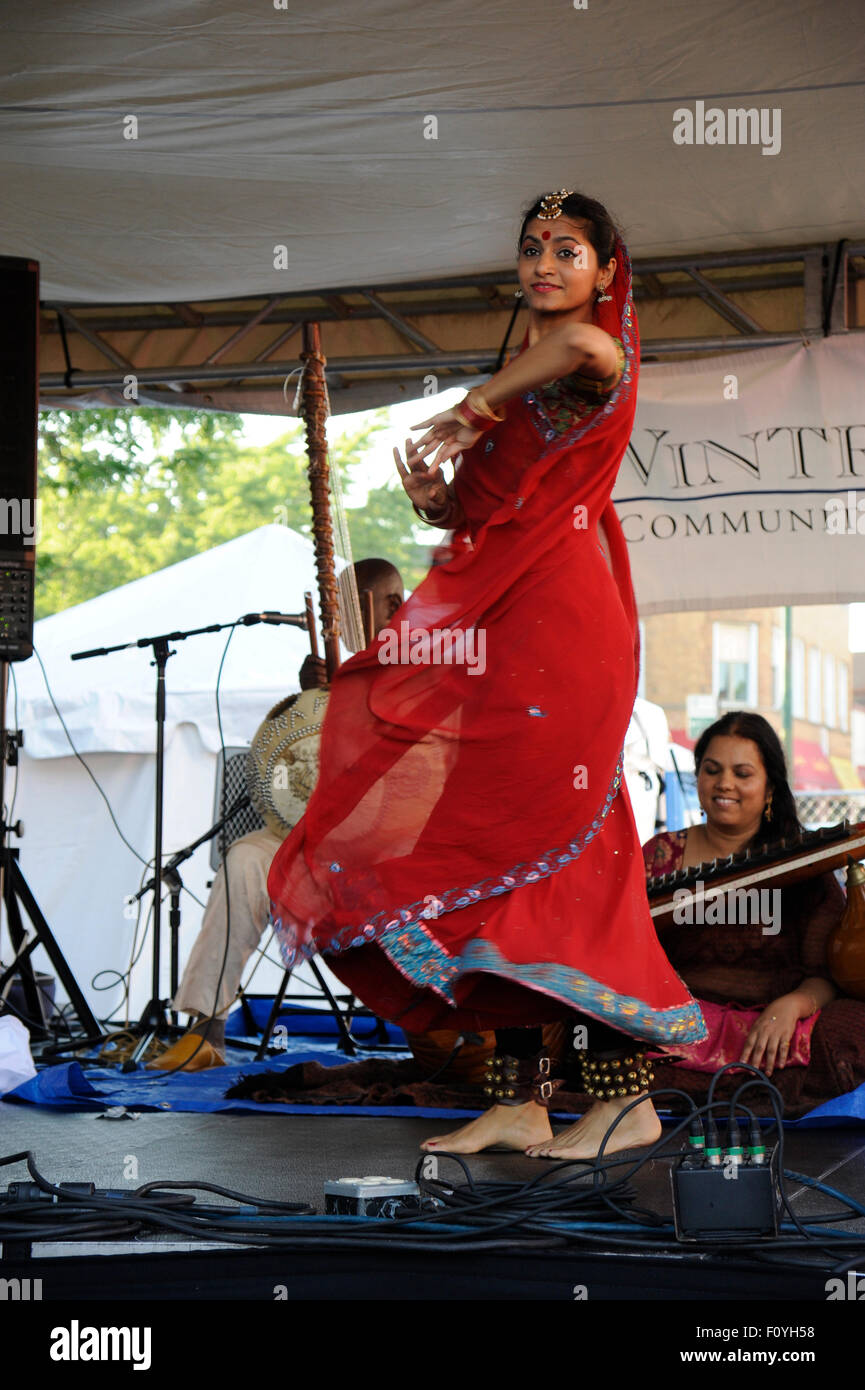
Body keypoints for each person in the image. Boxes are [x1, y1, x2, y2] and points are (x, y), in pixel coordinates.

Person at [268, 189, 706, 1158]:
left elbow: (587, 352)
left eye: (568, 249)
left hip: (565, 629)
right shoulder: (521, 379)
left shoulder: (588, 356)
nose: (544, 262)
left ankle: (626, 1098)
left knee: (569, 850)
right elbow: (490, 507)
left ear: (604, 271)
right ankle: (521, 1096)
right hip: (498, 625)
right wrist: (437, 500)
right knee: (491, 852)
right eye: (531, 247)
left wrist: (474, 405)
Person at [149, 558, 403, 1071]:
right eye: (386, 602)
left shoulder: (420, 667)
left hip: (379, 847)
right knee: (243, 857)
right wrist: (306, 698)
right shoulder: (327, 676)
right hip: (304, 837)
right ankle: (206, 1030)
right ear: (351, 616)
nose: (400, 609)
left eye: (401, 599)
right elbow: (289, 762)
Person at [643, 710, 865, 1115]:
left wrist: (793, 1006)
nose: (724, 783)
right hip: (681, 1026)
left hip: (779, 1028)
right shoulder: (661, 856)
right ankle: (758, 1097)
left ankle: (706, 1095)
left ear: (768, 791)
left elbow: (829, 974)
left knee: (854, 1025)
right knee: (597, 1025)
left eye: (742, 773)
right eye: (712, 770)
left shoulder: (802, 864)